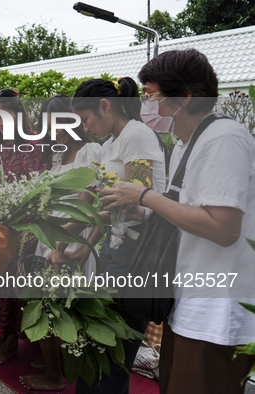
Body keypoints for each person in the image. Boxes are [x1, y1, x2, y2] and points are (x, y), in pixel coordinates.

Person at [100, 49, 255, 394]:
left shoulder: (223, 139)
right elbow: (188, 212)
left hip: (217, 312)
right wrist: (143, 210)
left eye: (151, 95)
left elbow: (223, 228)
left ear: (184, 97)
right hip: (189, 302)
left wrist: (144, 196)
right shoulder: (187, 142)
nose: (145, 104)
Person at [69, 77, 166, 394]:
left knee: (112, 356)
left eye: (86, 119)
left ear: (106, 106)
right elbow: (112, 207)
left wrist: (74, 230)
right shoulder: (112, 143)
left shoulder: (137, 136)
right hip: (114, 254)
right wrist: (83, 245)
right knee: (96, 352)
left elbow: (138, 206)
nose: (85, 128)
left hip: (135, 259)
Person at [20, 95, 102, 392]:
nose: (53, 130)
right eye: (48, 124)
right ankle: (56, 366)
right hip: (49, 239)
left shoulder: (89, 151)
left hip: (69, 242)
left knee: (63, 310)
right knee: (44, 307)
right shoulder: (58, 156)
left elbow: (87, 208)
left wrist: (63, 246)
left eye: (59, 124)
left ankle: (57, 376)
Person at [0, 88, 51, 365]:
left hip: (30, 226)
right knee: (1, 282)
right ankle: (5, 333)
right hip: (2, 222)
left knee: (17, 284)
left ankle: (12, 342)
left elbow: (42, 185)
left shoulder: (36, 143)